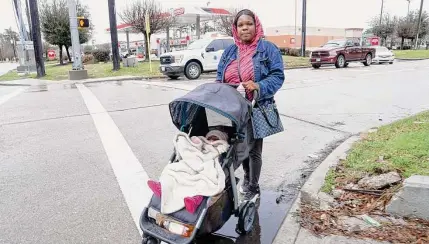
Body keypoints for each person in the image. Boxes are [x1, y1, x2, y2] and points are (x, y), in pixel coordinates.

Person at [216, 9, 285, 201]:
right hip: (232, 108)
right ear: (235, 29)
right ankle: (239, 179)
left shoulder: (268, 49)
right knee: (234, 146)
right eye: (240, 25)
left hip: (256, 107)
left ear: (256, 26)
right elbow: (219, 77)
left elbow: (278, 76)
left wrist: (259, 86)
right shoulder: (230, 52)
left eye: (249, 24)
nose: (245, 28)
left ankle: (253, 186)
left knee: (253, 150)